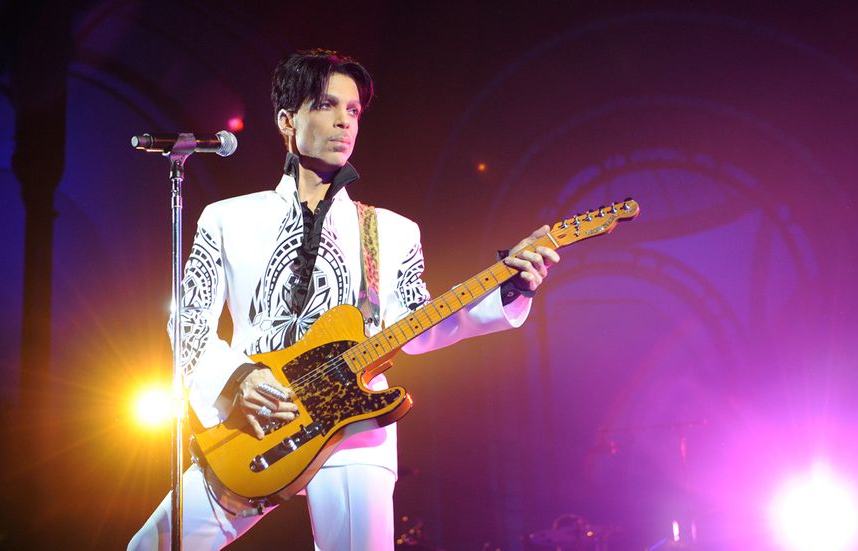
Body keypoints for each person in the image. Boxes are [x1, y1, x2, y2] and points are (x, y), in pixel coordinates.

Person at [128, 49, 559, 551]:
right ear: (288, 120)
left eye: (353, 111)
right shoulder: (226, 219)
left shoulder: (391, 232)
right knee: (151, 546)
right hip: (256, 422)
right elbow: (188, 323)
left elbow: (421, 324)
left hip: (353, 429)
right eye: (327, 105)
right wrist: (237, 380)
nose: (344, 122)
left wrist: (510, 287)